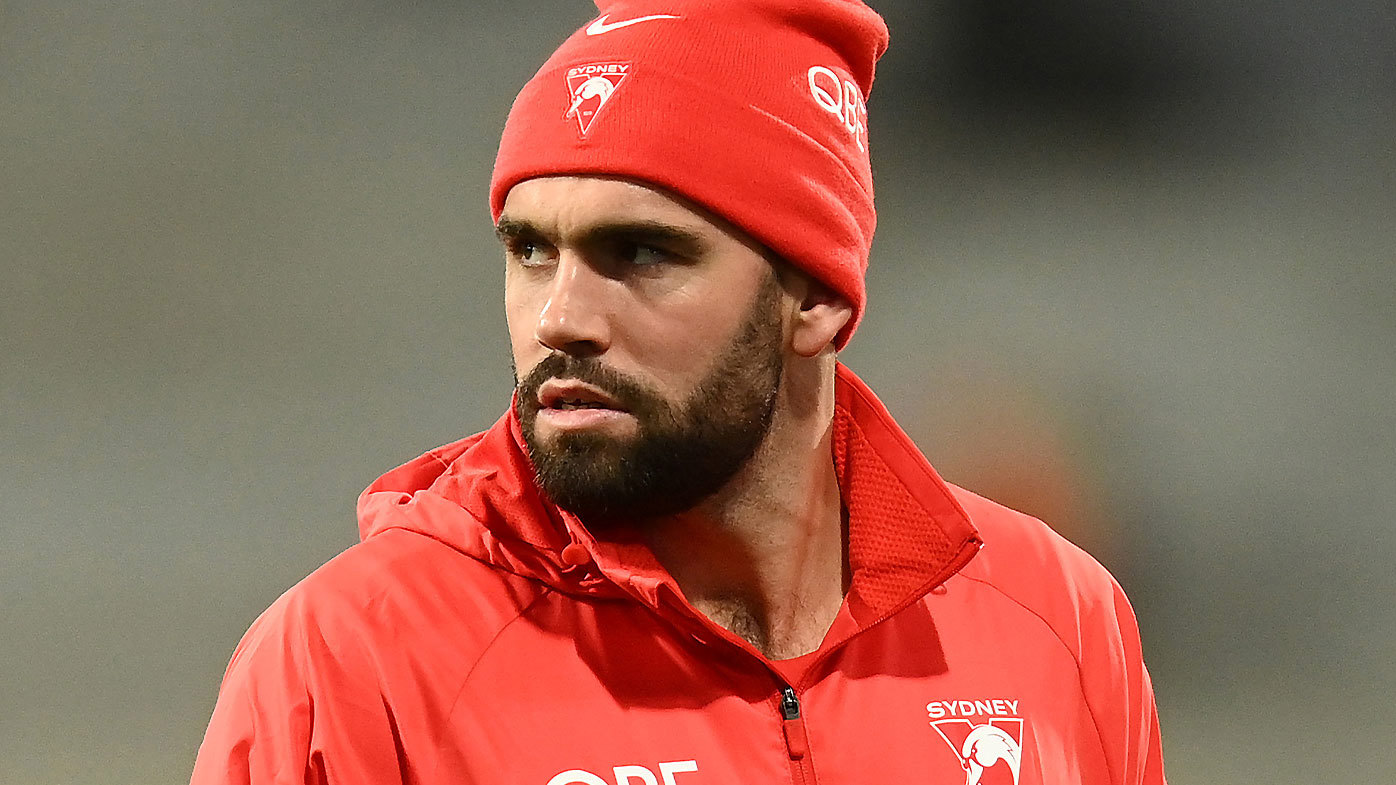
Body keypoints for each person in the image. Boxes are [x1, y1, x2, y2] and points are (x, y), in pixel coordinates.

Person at [191, 1, 1167, 783]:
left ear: (819, 298)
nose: (560, 314)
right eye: (531, 249)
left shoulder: (1056, 615)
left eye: (642, 252)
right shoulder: (354, 661)